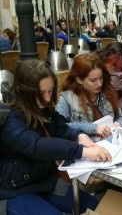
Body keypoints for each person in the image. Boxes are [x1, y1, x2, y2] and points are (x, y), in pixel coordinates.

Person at [0, 60, 112, 214]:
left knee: (94, 205)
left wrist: (79, 136)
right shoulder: (9, 118)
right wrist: (82, 151)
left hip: (46, 181)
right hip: (17, 190)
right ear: (24, 92)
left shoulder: (44, 108)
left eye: (50, 91)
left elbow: (62, 129)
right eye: (41, 93)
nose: (47, 98)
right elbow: (37, 146)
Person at [56, 53, 122, 138]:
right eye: (93, 80)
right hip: (86, 148)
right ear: (79, 80)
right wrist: (93, 128)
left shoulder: (106, 92)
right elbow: (59, 127)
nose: (99, 84)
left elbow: (119, 116)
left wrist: (119, 126)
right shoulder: (66, 99)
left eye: (101, 78)